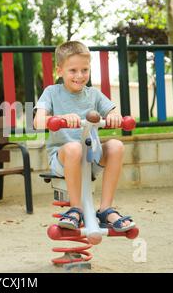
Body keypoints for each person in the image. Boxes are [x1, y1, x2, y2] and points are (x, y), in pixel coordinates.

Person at [33, 41, 136, 232]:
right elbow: (38, 121)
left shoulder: (93, 94)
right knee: (74, 148)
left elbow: (113, 110)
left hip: (91, 157)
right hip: (63, 158)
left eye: (85, 70)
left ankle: (105, 209)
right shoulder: (52, 92)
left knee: (116, 146)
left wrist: (113, 116)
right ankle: (76, 209)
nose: (80, 76)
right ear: (59, 70)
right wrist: (59, 118)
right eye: (73, 70)